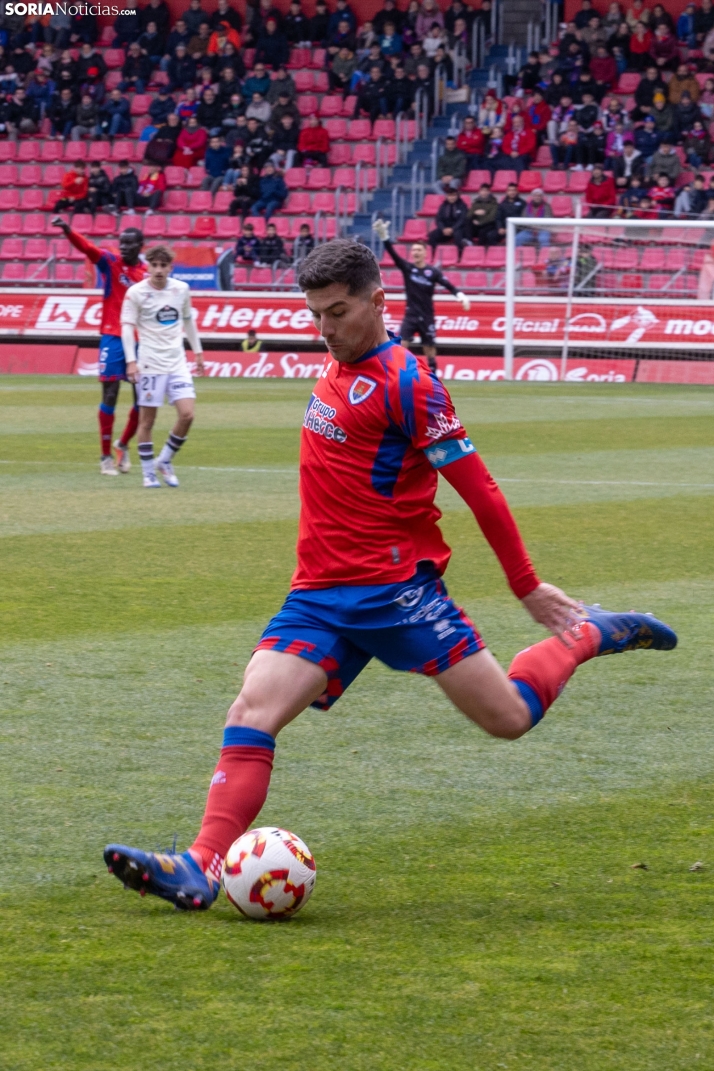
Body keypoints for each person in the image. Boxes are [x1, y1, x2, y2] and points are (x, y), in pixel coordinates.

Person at [104, 236, 677, 910]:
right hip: (318, 592)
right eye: (316, 313)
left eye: (338, 312)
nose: (325, 328)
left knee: (510, 717)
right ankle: (199, 865)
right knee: (251, 710)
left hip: (396, 593)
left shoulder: (411, 385)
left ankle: (585, 635)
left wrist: (527, 586)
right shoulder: (334, 361)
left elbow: (481, 489)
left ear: (379, 300)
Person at [52, 217, 145, 475]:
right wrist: (68, 230)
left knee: (142, 400)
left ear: (141, 245)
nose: (123, 248)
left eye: (129, 244)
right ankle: (105, 457)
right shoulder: (111, 262)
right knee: (110, 394)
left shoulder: (147, 276)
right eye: (121, 243)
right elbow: (87, 248)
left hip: (140, 340)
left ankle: (123, 444)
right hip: (113, 336)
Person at [120, 245, 204, 490]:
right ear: (148, 266)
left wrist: (197, 352)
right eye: (154, 265)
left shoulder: (181, 290)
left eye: (163, 265)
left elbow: (188, 321)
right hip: (149, 364)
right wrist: (131, 361)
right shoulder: (135, 293)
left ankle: (164, 461)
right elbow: (126, 326)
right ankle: (148, 473)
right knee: (147, 421)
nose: (158, 270)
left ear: (170, 267)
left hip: (177, 362)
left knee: (187, 414)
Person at [373, 219, 470, 373]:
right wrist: (385, 238)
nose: (416, 253)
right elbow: (393, 255)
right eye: (414, 250)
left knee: (429, 348)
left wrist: (460, 295)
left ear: (425, 253)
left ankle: (434, 375)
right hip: (411, 314)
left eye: (419, 250)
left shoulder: (432, 272)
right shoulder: (408, 269)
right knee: (401, 343)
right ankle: (397, 373)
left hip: (427, 315)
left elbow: (447, 285)